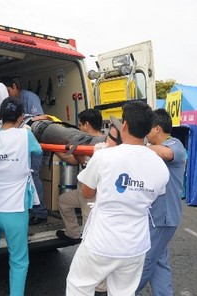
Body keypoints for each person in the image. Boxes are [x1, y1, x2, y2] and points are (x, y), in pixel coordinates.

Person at [66, 101, 170, 296]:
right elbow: (153, 196)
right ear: (148, 129)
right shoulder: (159, 166)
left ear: (124, 125)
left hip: (102, 239)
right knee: (123, 293)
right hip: (135, 243)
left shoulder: (105, 156)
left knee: (78, 286)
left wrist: (95, 162)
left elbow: (87, 193)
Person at [0, 97, 42, 296]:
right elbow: (37, 151)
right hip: (14, 209)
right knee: (19, 261)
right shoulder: (25, 136)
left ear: (0, 116)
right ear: (21, 117)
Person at [136, 108, 187, 296]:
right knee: (159, 263)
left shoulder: (175, 144)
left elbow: (166, 154)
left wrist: (137, 148)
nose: (144, 133)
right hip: (158, 217)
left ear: (157, 128)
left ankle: (126, 291)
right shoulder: (155, 150)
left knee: (146, 260)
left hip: (163, 217)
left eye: (147, 128)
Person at [1, 76, 48, 225]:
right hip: (18, 144)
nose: (7, 94)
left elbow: (40, 118)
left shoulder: (29, 97)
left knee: (33, 176)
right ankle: (28, 210)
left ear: (14, 86)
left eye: (8, 90)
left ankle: (40, 213)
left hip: (30, 142)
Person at [56, 109, 106, 242]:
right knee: (63, 201)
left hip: (91, 191)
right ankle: (73, 233)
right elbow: (73, 160)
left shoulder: (101, 144)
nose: (78, 128)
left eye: (80, 125)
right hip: (81, 190)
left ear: (87, 125)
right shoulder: (85, 141)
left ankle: (87, 247)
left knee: (88, 223)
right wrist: (56, 149)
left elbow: (82, 161)